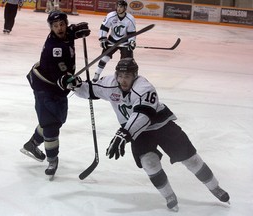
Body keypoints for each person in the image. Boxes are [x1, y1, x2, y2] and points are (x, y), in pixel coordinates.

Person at [59, 58, 230, 211]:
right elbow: (91, 89)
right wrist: (74, 84)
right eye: (120, 75)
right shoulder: (111, 83)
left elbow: (143, 115)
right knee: (149, 162)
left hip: (161, 126)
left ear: (135, 75)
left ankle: (214, 187)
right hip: (139, 133)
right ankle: (169, 195)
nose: (123, 80)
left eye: (127, 76)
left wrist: (124, 133)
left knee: (191, 160)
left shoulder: (145, 88)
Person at [20, 11, 90, 177]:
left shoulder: (64, 34)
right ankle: (52, 160)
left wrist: (75, 31)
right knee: (51, 124)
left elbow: (70, 33)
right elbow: (58, 73)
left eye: (62, 24)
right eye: (55, 26)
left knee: (57, 119)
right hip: (45, 86)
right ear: (51, 28)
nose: (60, 28)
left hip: (54, 86)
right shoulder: (54, 48)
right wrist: (68, 80)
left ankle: (32, 144)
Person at [92, 0, 136, 82]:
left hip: (124, 41)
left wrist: (132, 42)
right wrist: (103, 39)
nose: (118, 9)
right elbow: (104, 28)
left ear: (125, 8)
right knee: (104, 58)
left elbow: (131, 33)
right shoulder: (111, 16)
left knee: (126, 62)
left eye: (121, 7)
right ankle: (97, 74)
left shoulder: (130, 19)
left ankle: (123, 78)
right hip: (112, 40)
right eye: (118, 6)